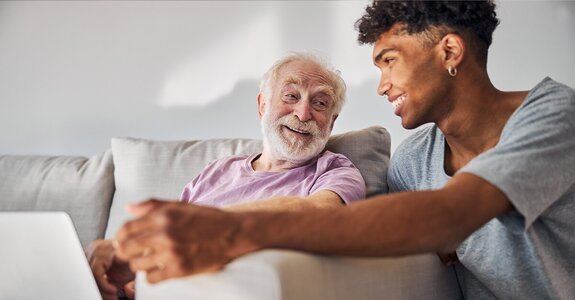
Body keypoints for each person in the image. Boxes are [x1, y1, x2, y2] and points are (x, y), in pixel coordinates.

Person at [114, 1, 575, 299]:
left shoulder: (554, 114)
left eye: (388, 61)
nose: (382, 86)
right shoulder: (414, 159)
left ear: (449, 51)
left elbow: (452, 215)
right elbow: (404, 241)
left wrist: (232, 231)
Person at [87, 52, 366, 300]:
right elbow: (170, 241)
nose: (303, 113)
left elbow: (322, 215)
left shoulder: (336, 171)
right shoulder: (218, 170)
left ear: (332, 121)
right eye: (291, 96)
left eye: (320, 103)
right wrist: (129, 261)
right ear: (262, 105)